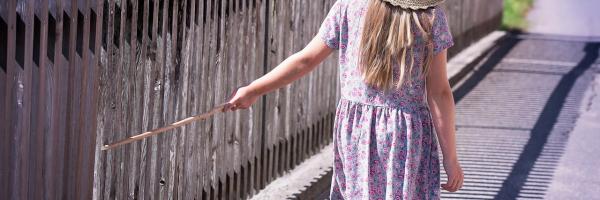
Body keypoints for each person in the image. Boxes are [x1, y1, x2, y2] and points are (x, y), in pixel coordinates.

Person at [224, 0, 463, 198]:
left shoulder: (349, 6)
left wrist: (254, 89)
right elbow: (439, 92)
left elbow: (304, 61)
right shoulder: (430, 19)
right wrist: (450, 158)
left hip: (357, 132)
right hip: (405, 135)